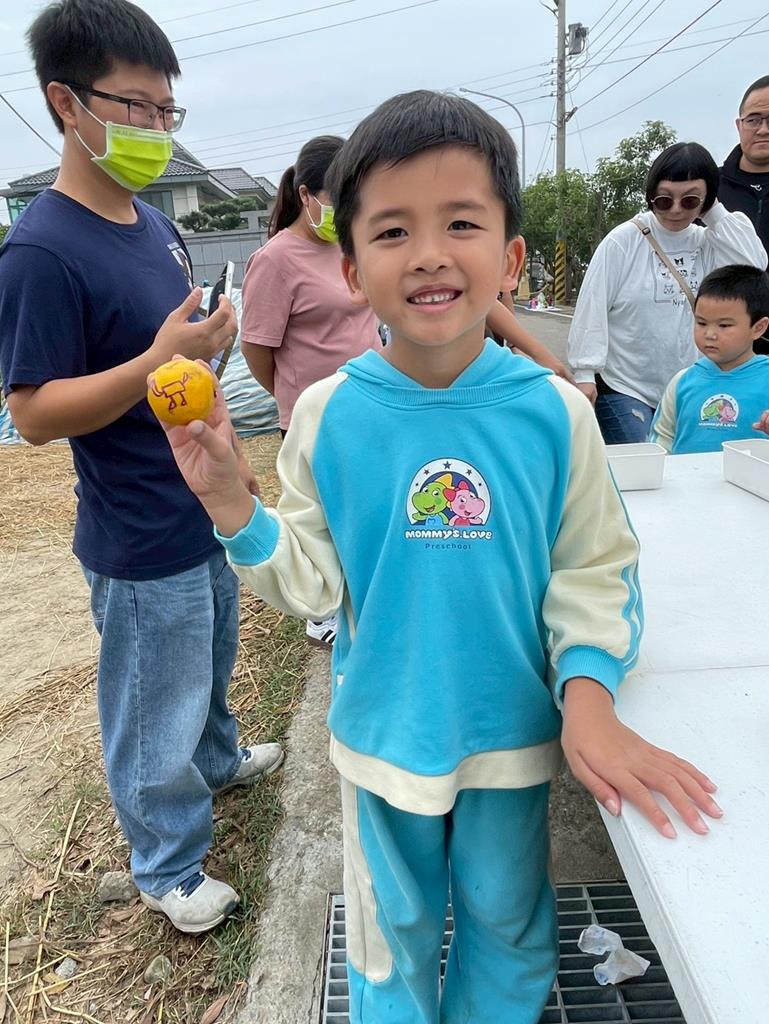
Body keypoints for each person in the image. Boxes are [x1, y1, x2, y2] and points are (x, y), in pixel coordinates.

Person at [155, 91, 721, 1023]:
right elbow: (312, 579)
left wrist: (587, 697)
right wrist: (229, 502)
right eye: (391, 231)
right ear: (351, 269)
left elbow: (597, 569)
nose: (426, 253)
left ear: (510, 259)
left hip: (513, 736)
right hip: (383, 740)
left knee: (507, 928)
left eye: (459, 222)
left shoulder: (553, 412)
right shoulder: (328, 415)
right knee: (390, 941)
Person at [0, 0, 283, 935]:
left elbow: (175, 369)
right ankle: (165, 864)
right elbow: (33, 414)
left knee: (208, 659)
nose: (158, 129)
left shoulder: (153, 226)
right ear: (66, 104)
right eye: (136, 107)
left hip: (200, 497)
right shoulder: (40, 250)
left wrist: (209, 378)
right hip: (133, 524)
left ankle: (219, 761)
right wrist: (158, 359)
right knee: (153, 697)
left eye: (168, 110)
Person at [239, 135, 381, 647]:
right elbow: (257, 347)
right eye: (338, 197)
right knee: (323, 514)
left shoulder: (353, 244)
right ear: (305, 196)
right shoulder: (276, 260)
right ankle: (321, 612)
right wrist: (294, 396)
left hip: (369, 401)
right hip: (314, 414)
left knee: (364, 509)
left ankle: (361, 599)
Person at [568, 142, 766, 444]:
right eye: (663, 200)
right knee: (647, 463)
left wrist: (714, 213)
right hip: (625, 387)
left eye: (690, 200)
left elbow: (753, 267)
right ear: (651, 196)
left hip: (688, 386)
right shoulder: (623, 241)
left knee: (685, 464)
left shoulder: (708, 241)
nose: (675, 209)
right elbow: (592, 307)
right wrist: (584, 374)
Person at [651, 265, 769, 452]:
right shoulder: (682, 381)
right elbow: (661, 440)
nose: (710, 334)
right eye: (702, 323)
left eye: (724, 325)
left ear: (758, 328)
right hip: (686, 472)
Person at [719, 76, 769, 354]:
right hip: (721, 349)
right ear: (739, 125)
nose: (763, 129)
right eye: (753, 120)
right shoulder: (707, 191)